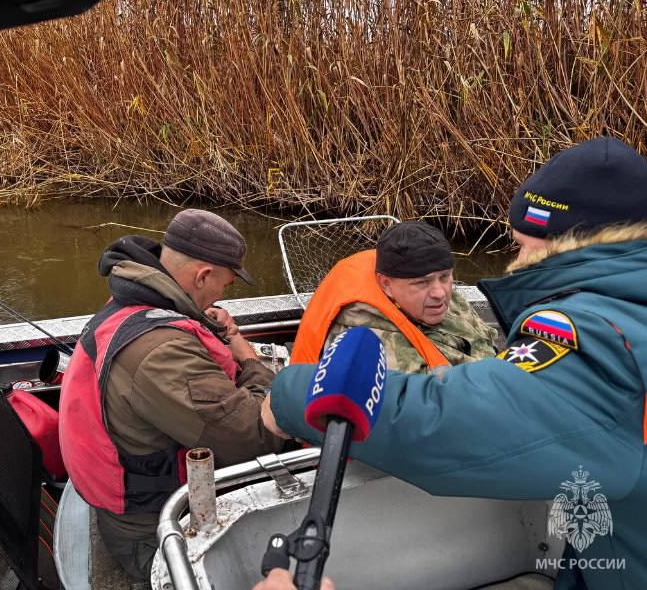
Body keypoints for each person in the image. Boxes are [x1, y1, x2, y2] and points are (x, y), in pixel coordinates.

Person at [264, 136, 647, 590]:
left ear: (570, 242)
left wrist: (287, 394)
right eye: (423, 282)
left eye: (525, 245)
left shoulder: (601, 332)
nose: (518, 260)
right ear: (386, 285)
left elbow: (452, 424)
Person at [59, 209, 286, 585]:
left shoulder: (134, 303)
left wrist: (211, 328)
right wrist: (247, 356)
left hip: (142, 506)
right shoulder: (161, 351)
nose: (222, 294)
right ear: (203, 276)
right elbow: (254, 438)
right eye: (225, 285)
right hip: (153, 534)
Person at [290, 221, 498, 373]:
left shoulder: (444, 300)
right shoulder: (372, 349)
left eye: (444, 277)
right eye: (422, 282)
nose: (440, 293)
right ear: (386, 284)